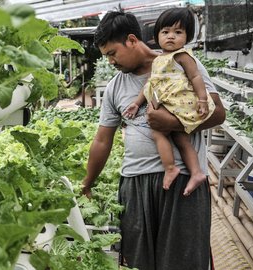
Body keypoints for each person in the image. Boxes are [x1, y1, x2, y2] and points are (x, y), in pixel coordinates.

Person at [81, 10, 225, 270]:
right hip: (134, 185)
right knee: (139, 263)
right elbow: (103, 140)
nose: (111, 62)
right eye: (107, 56)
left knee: (183, 263)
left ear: (133, 40)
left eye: (113, 53)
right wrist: (87, 182)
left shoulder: (180, 62)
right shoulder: (116, 86)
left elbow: (219, 113)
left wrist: (172, 123)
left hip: (183, 183)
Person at [122, 7, 215, 196]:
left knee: (165, 134)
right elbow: (150, 84)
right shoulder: (158, 59)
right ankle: (190, 171)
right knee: (172, 136)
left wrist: (203, 100)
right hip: (165, 103)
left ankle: (177, 169)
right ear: (157, 36)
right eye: (165, 32)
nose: (171, 36)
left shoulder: (183, 56)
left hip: (179, 103)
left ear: (187, 37)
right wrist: (137, 103)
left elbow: (196, 77)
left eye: (178, 32)